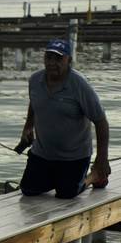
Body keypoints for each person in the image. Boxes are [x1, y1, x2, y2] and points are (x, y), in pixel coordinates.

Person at [14, 38, 110, 198]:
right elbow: (35, 101)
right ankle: (56, 178)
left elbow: (101, 122)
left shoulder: (80, 85)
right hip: (43, 152)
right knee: (28, 190)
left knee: (67, 193)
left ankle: (95, 176)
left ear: (69, 61)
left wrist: (101, 159)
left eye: (58, 59)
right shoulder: (35, 80)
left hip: (74, 155)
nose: (52, 63)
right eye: (49, 57)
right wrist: (28, 127)